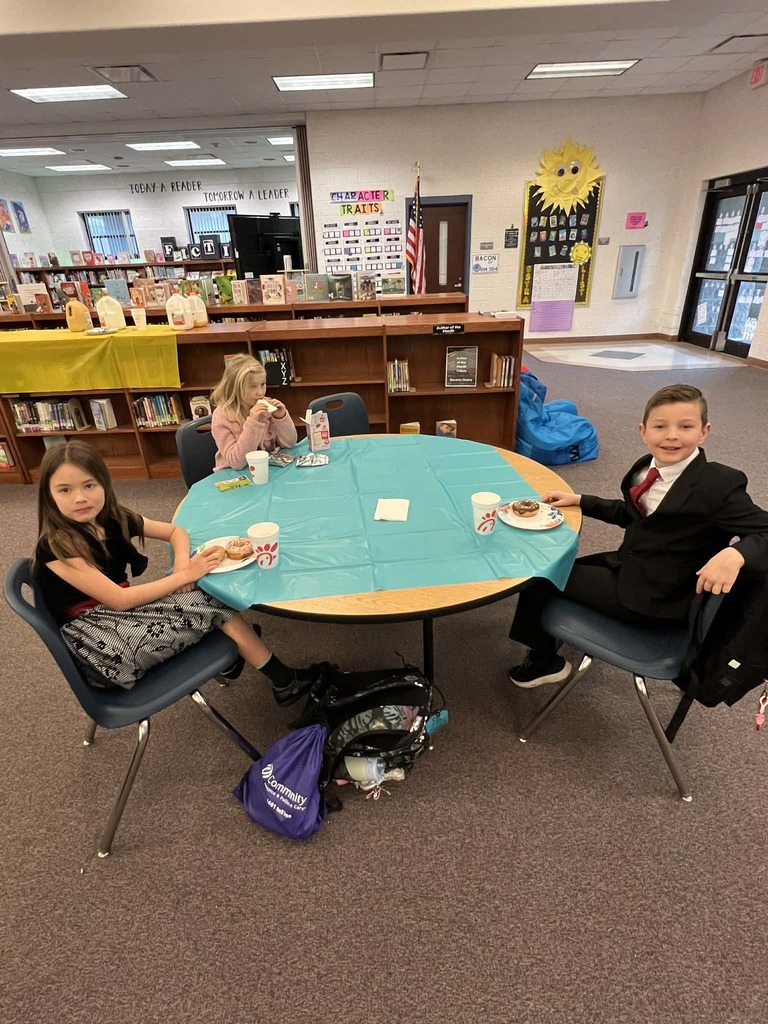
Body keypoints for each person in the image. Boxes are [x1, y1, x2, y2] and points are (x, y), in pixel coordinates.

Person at [508, 383, 768, 688]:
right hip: (632, 568)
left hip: (660, 599)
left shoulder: (719, 484)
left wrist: (736, 554)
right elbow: (635, 516)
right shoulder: (645, 469)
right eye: (661, 426)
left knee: (541, 578)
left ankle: (544, 661)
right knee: (556, 567)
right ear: (643, 431)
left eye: (685, 426)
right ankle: (548, 642)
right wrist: (582, 500)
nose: (671, 435)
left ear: (704, 432)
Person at [32, 440, 321, 702]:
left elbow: (175, 531)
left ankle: (270, 672)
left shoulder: (111, 518)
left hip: (115, 616)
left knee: (207, 591)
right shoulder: (56, 546)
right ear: (49, 494)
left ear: (104, 484)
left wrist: (183, 563)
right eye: (65, 490)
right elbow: (120, 600)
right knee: (212, 600)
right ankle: (282, 679)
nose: (80, 498)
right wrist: (183, 576)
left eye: (89, 485)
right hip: (99, 649)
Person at [210, 354, 297, 470]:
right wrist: (253, 423)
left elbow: (290, 443)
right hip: (234, 474)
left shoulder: (267, 408)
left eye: (263, 384)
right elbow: (237, 463)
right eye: (252, 386)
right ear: (235, 388)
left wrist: (281, 418)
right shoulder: (222, 416)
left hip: (267, 468)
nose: (260, 392)